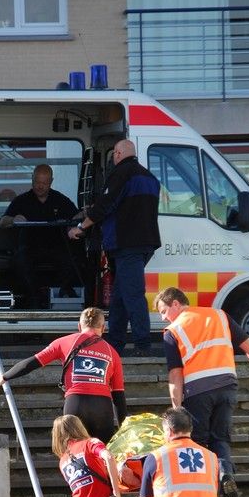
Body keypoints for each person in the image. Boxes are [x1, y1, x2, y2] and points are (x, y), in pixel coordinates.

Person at [155, 287, 249, 497]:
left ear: (176, 304)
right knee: (221, 438)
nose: (163, 317)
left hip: (197, 390)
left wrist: (176, 406)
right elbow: (248, 344)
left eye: (163, 311)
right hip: (227, 384)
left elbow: (175, 373)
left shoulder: (173, 330)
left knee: (198, 442)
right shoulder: (219, 315)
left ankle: (205, 491)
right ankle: (225, 474)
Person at [69, 139, 161, 357]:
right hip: (146, 242)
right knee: (120, 294)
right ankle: (115, 343)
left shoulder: (121, 174)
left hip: (126, 244)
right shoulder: (149, 177)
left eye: (114, 154)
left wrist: (81, 227)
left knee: (132, 294)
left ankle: (143, 344)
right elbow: (132, 206)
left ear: (118, 153)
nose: (113, 158)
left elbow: (106, 205)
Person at [0, 307, 126, 443]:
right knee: (103, 457)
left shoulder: (64, 342)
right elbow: (118, 395)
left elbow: (31, 363)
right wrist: (123, 428)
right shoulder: (112, 352)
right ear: (103, 328)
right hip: (102, 408)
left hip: (75, 403)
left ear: (79, 326)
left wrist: (4, 377)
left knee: (72, 456)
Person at [0, 164, 81, 308]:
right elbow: (2, 222)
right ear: (32, 180)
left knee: (73, 261)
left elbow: (76, 216)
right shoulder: (22, 200)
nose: (40, 186)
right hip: (29, 248)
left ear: (51, 182)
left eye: (44, 183)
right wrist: (14, 219)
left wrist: (82, 217)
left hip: (56, 247)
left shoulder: (60, 200)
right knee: (19, 262)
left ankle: (56, 295)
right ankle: (34, 297)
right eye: (37, 182)